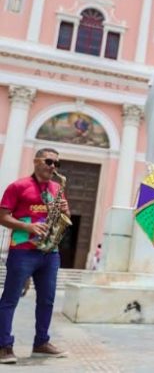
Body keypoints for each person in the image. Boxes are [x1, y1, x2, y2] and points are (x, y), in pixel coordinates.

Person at [0, 148, 70, 364]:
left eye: (56, 163)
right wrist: (26, 227)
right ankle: (3, 346)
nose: (53, 166)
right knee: (10, 299)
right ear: (36, 161)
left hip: (50, 252)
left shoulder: (57, 188)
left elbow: (65, 217)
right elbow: (2, 216)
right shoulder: (18, 186)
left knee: (47, 300)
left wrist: (65, 209)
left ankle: (41, 342)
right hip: (22, 250)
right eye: (49, 161)